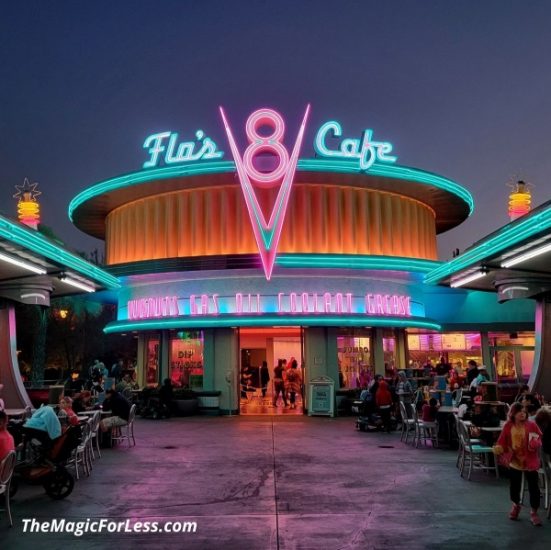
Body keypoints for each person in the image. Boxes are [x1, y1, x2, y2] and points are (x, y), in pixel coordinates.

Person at [493, 402, 543, 526]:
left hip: (530, 461)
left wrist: (536, 443)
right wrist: (499, 448)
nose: (522, 413)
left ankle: (534, 513)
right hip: (515, 462)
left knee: (534, 488)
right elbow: (502, 441)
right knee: (514, 486)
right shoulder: (508, 426)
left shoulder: (532, 425)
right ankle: (516, 506)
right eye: (519, 411)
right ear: (513, 414)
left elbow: (539, 438)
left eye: (524, 411)